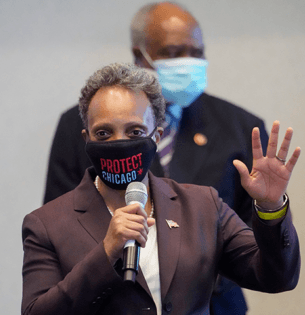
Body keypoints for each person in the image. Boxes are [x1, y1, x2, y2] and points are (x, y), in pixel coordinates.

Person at [22, 63, 301, 315]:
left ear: (156, 136)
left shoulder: (202, 205)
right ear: (87, 139)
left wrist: (270, 207)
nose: (120, 143)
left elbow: (277, 277)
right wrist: (106, 253)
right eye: (104, 133)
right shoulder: (47, 224)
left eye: (135, 132)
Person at [43, 2, 269, 313]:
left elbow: (255, 239)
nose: (188, 63)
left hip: (213, 304)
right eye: (174, 53)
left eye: (197, 52)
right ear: (140, 56)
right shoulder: (80, 126)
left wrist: (195, 268)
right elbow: (60, 226)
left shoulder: (242, 127)